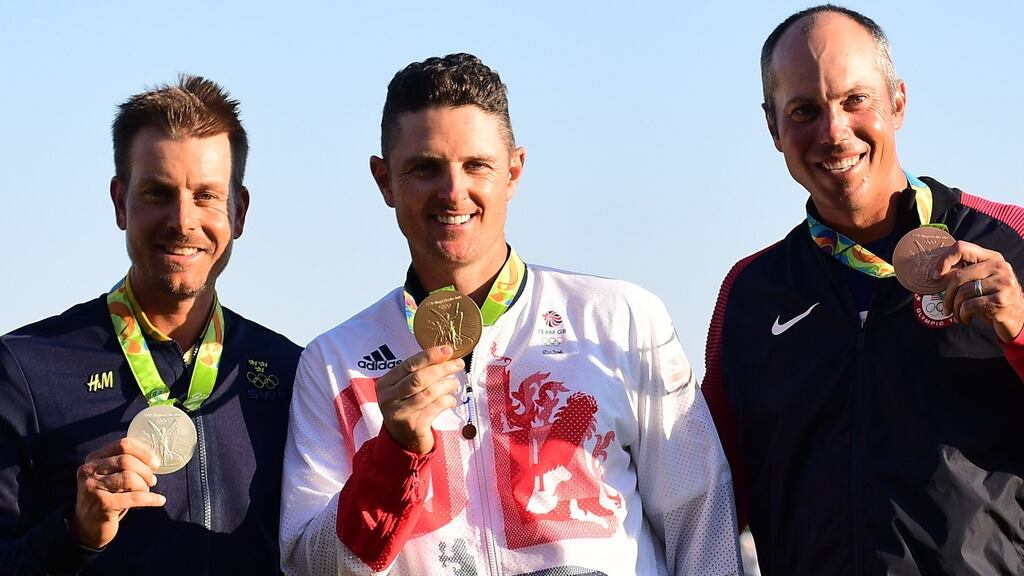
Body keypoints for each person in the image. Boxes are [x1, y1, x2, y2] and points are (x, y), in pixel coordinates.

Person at [280, 53, 740, 575]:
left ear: (514, 170)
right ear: (384, 181)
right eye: (425, 168)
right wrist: (393, 456)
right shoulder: (333, 362)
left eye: (476, 165)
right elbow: (308, 567)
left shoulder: (621, 319)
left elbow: (701, 521)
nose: (454, 192)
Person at [703, 5, 1024, 575]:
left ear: (897, 102)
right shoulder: (750, 292)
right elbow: (708, 499)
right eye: (804, 110)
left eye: (856, 100)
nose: (834, 131)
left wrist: (1022, 332)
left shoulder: (1012, 242)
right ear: (773, 126)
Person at [0, 75, 302, 574]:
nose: (183, 221)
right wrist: (75, 533)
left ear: (239, 211)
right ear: (120, 202)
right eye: (158, 193)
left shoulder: (290, 370)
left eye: (206, 196)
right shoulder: (26, 367)